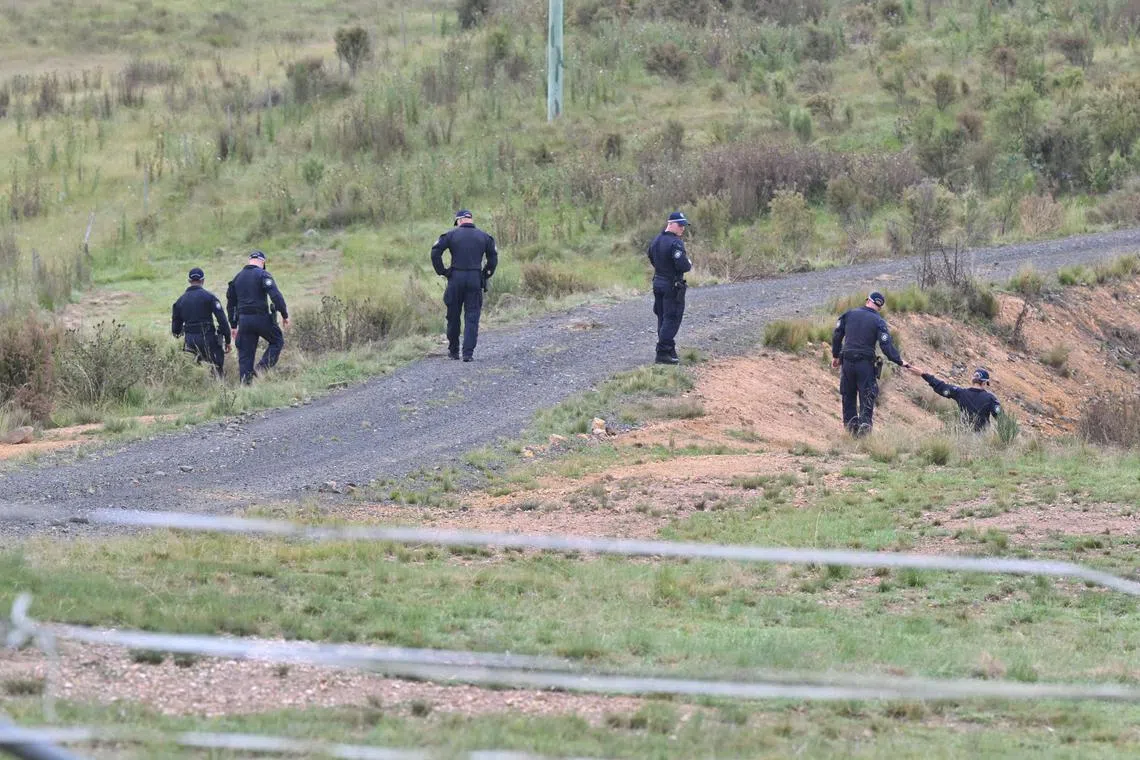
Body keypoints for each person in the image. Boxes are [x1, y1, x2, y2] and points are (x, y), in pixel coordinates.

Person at [831, 291, 911, 437]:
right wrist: (899, 360)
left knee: (848, 395)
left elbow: (837, 336)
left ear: (867, 300)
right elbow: (886, 345)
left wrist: (835, 355)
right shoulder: (878, 321)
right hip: (865, 365)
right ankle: (864, 432)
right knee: (867, 395)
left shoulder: (848, 314)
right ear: (879, 307)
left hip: (847, 362)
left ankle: (850, 433)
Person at [430, 209, 498, 362]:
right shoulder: (484, 237)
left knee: (453, 316)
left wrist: (443, 271)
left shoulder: (451, 235)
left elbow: (435, 252)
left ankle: (453, 351)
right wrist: (485, 274)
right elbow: (493, 259)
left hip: (455, 278)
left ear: (459, 221)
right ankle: (468, 354)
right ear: (471, 220)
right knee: (472, 316)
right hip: (475, 278)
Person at [226, 250, 289, 384]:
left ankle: (246, 386)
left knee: (245, 356)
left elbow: (231, 305)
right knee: (277, 341)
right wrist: (284, 314)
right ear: (263, 262)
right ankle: (261, 369)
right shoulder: (263, 274)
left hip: (244, 321)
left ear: (250, 261)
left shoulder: (237, 278)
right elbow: (276, 296)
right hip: (262, 318)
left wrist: (233, 325)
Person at [648, 211, 692, 365]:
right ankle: (663, 352)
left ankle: (669, 350)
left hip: (658, 282)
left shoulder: (656, 240)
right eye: (680, 225)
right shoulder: (676, 243)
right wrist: (689, 264)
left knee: (662, 317)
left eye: (684, 225)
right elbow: (683, 265)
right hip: (671, 285)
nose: (682, 228)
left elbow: (651, 257)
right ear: (670, 224)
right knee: (672, 318)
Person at [172, 267, 230, 378]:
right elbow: (222, 321)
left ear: (189, 281)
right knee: (216, 368)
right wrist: (227, 340)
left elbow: (175, 330)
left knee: (193, 371)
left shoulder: (180, 301)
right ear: (203, 281)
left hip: (190, 341)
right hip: (209, 339)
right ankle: (219, 390)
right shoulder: (210, 297)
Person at [907, 365, 1003, 430]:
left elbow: (942, 387)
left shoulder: (960, 393)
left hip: (963, 434)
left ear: (973, 381)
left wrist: (923, 374)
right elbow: (1002, 419)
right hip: (982, 438)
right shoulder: (990, 398)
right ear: (984, 383)